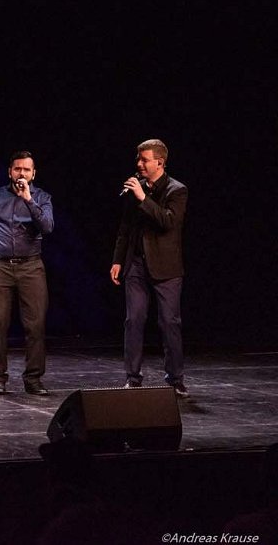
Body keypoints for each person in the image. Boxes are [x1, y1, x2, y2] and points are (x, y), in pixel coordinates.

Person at [110, 138, 189, 397]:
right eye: (138, 159)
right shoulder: (136, 188)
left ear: (160, 162)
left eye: (144, 160)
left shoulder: (177, 190)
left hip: (166, 268)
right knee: (133, 320)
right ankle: (132, 377)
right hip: (136, 265)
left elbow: (168, 222)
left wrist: (143, 197)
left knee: (169, 322)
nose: (139, 164)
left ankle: (175, 379)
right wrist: (118, 260)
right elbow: (125, 228)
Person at [0, 150, 54, 396]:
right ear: (10, 171)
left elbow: (47, 227)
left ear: (33, 174)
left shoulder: (42, 197)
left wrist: (29, 200)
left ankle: (33, 379)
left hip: (31, 266)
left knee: (35, 325)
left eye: (26, 170)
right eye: (17, 169)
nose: (21, 173)